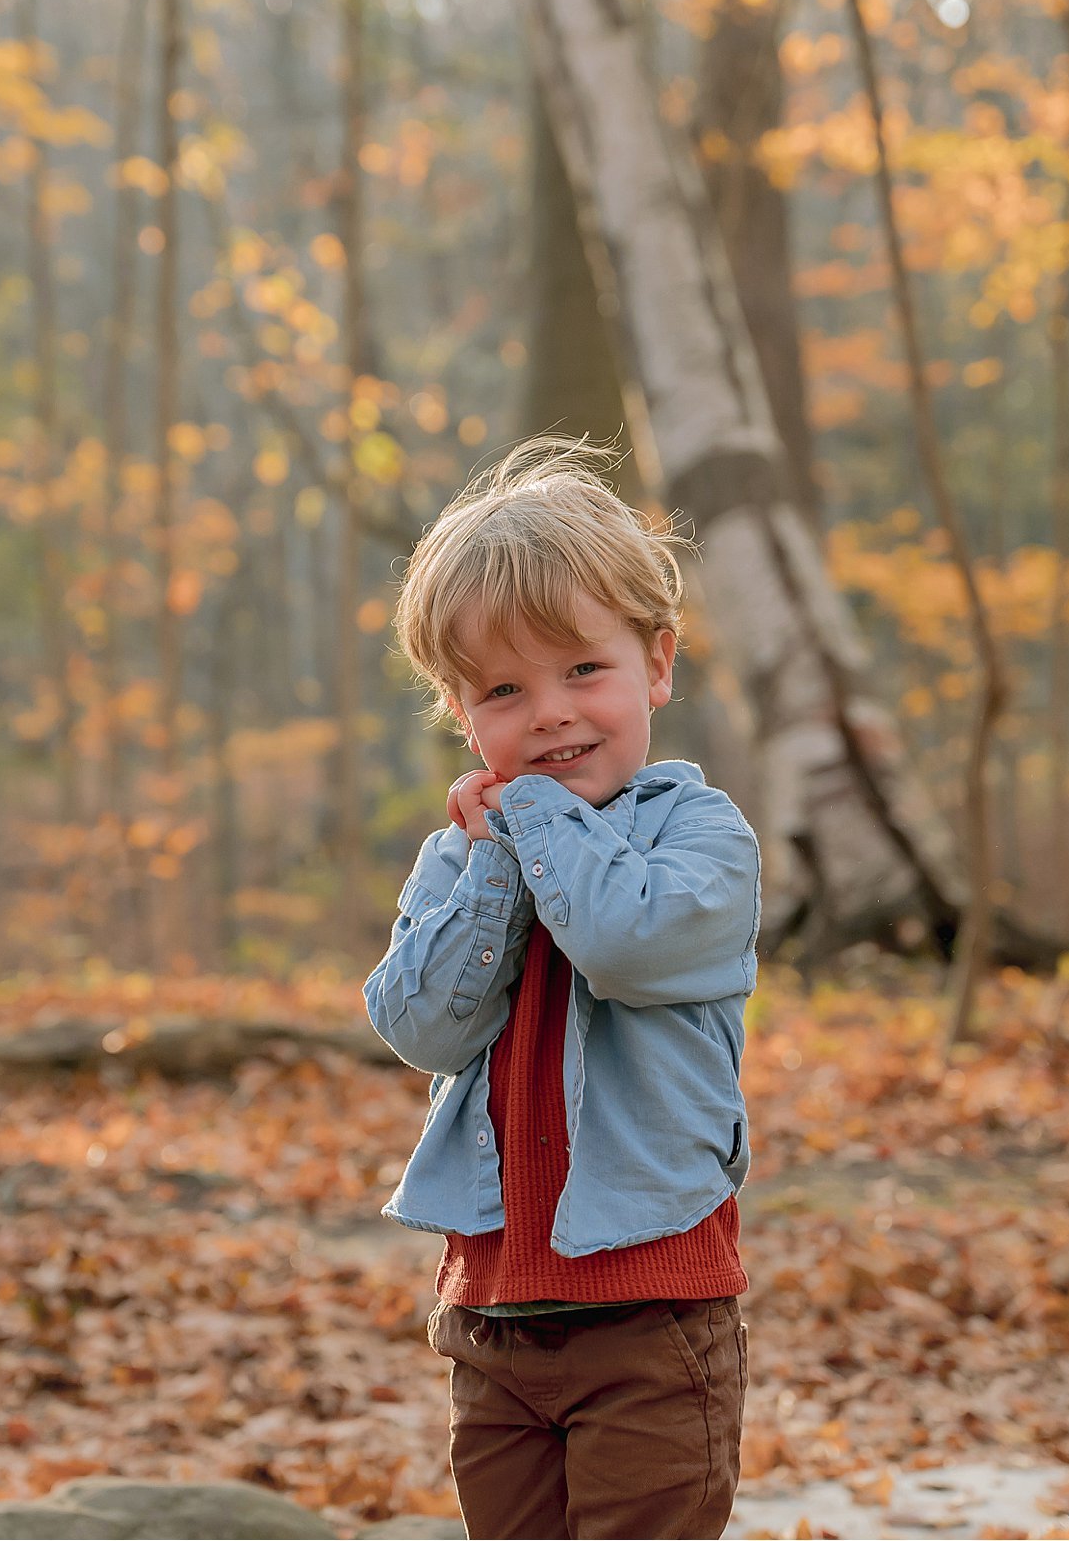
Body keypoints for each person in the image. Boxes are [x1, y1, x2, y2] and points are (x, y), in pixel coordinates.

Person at [364, 438, 756, 1540]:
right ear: (460, 711)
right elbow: (420, 1025)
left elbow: (624, 943)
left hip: (649, 1309)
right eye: (502, 689)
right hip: (491, 1316)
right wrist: (493, 860)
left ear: (657, 665)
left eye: (582, 670)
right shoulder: (462, 858)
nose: (547, 714)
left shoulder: (702, 836)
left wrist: (529, 816)